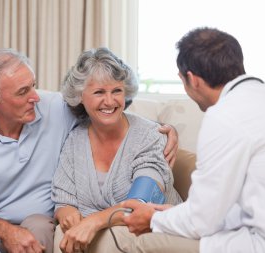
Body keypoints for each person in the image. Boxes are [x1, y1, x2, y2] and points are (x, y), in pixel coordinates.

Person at [0, 48, 179, 253]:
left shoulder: (52, 109)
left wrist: (164, 129)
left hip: (36, 225)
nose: (36, 96)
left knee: (39, 225)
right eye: (23, 91)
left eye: (33, 85)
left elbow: (114, 115)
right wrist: (9, 231)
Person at [122, 27, 265, 253]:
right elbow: (255, 200)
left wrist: (153, 219)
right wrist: (173, 214)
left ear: (193, 79)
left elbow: (202, 219)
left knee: (145, 244)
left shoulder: (225, 116)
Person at [51, 47, 182, 253]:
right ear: (80, 97)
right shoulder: (74, 140)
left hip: (150, 233)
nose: (110, 101)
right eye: (99, 92)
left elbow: (141, 203)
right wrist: (67, 214)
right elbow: (63, 199)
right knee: (63, 235)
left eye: (117, 91)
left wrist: (92, 222)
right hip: (100, 234)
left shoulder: (150, 136)